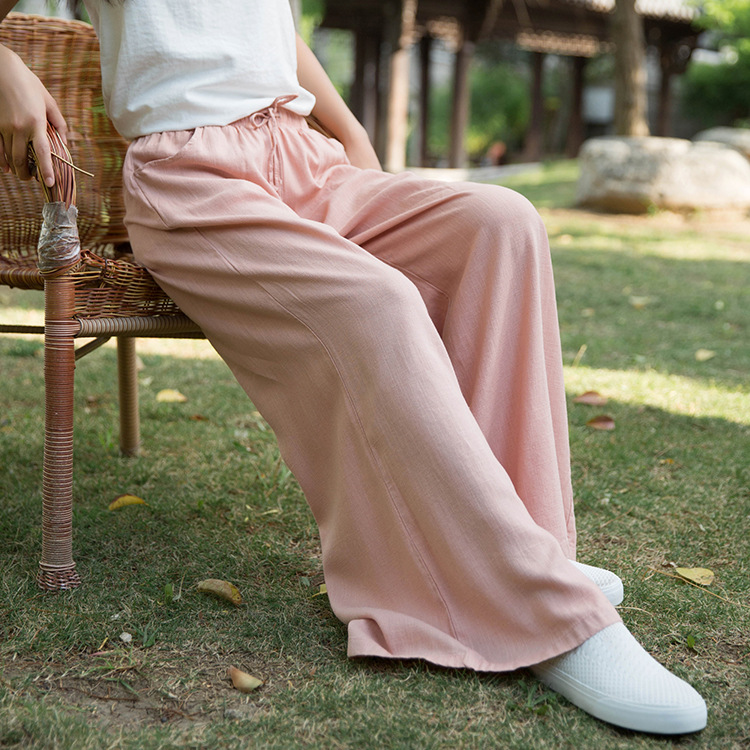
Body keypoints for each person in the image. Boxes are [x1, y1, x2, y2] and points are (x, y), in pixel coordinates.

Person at [0, 0, 707, 735]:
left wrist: (352, 131)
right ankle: (541, 608)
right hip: (192, 181)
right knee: (380, 303)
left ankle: (525, 547)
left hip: (303, 158)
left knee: (504, 225)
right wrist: (6, 65)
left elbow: (271, 33)